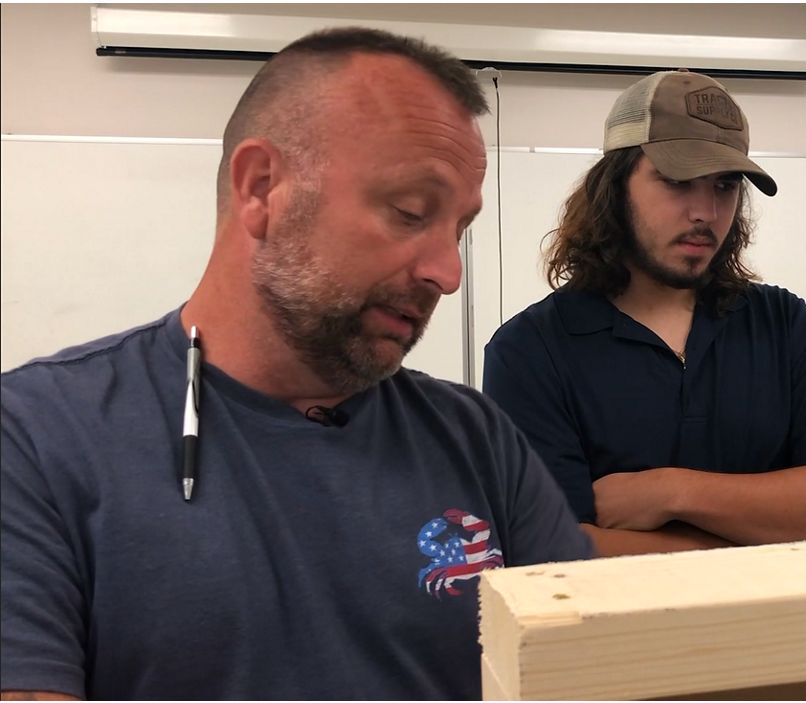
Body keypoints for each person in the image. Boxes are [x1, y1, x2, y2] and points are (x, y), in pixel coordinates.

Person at [0, 28, 591, 700]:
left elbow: (588, 671)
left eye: (459, 229)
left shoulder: (475, 440)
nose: (447, 273)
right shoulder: (36, 437)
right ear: (262, 188)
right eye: (410, 212)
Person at [482, 70, 806, 558]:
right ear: (614, 186)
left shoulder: (781, 322)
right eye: (677, 181)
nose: (706, 212)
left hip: (790, 612)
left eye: (725, 185)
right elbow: (549, 548)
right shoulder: (530, 350)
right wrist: (759, 534)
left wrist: (671, 491)